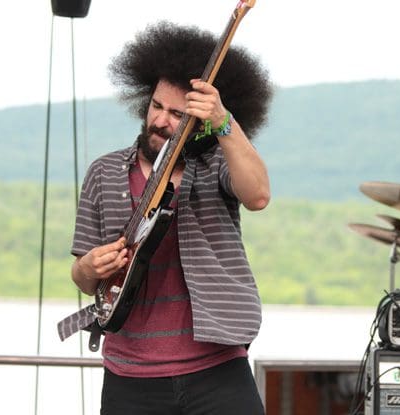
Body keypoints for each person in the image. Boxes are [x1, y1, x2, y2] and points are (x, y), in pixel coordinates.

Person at [66, 22, 273, 415]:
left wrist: (224, 122)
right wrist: (89, 267)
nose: (160, 120)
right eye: (157, 106)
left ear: (199, 118)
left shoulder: (217, 163)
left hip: (218, 366)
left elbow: (259, 195)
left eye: (177, 113)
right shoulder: (104, 173)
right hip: (129, 376)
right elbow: (82, 277)